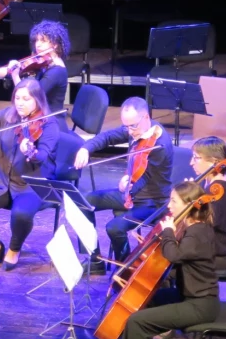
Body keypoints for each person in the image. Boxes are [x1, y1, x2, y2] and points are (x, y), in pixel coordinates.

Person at [109, 181, 219, 339]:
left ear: (190, 205)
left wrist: (167, 232)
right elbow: (177, 255)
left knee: (137, 321)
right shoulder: (193, 228)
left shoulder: (197, 232)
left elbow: (175, 255)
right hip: (189, 296)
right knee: (142, 302)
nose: (170, 206)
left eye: (174, 201)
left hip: (199, 305)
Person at [0, 77, 61, 271]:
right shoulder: (9, 115)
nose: (20, 103)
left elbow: (41, 156)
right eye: (17, 98)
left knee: (22, 214)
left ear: (37, 100)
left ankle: (14, 249)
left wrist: (30, 152)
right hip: (3, 182)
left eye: (26, 99)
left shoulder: (49, 125)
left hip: (30, 186)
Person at [72, 97, 171, 264]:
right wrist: (85, 148)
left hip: (152, 201)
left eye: (133, 126)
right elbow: (108, 137)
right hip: (131, 193)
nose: (130, 131)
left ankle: (124, 267)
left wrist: (128, 187)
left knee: (114, 227)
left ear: (146, 117)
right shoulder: (135, 128)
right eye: (126, 126)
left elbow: (147, 178)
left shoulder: (160, 145)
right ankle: (94, 260)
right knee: (83, 202)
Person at [0, 18, 71, 117]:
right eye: (36, 40)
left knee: (8, 115)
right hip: (36, 115)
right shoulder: (42, 61)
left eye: (43, 41)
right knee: (6, 114)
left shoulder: (56, 71)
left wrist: (15, 75)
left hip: (49, 121)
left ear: (55, 45)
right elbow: (8, 71)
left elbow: (28, 98)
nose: (38, 44)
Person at [188, 135, 226, 272]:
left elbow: (206, 225)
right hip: (208, 247)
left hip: (218, 253)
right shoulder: (210, 182)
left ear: (214, 162)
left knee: (170, 267)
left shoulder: (218, 189)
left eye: (196, 158)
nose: (191, 163)